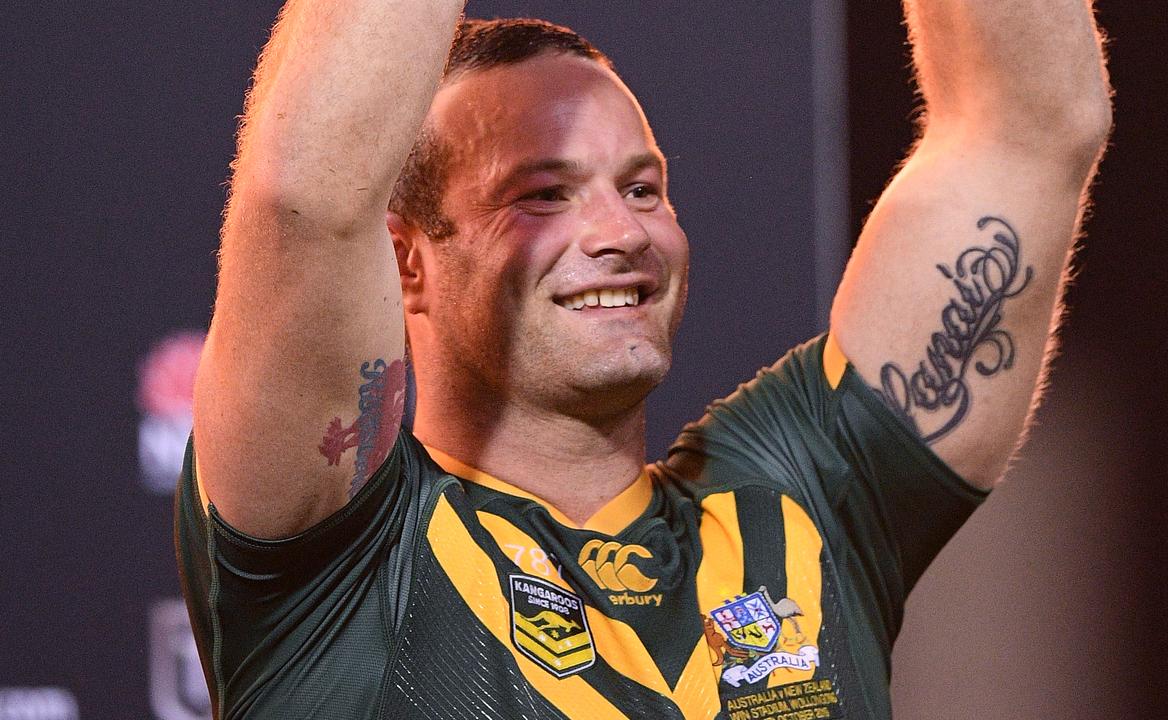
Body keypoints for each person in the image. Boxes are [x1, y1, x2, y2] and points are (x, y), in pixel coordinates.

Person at [175, 2, 1111, 718]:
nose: (621, 231)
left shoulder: (805, 500)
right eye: (543, 195)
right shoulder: (343, 561)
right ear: (408, 261)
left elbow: (1030, 127)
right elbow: (306, 194)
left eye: (642, 187)